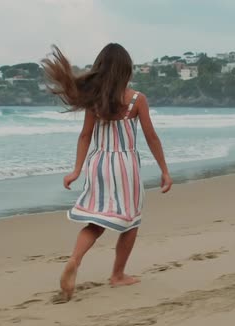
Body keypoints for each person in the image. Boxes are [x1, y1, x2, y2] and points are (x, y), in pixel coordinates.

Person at [42, 43, 172, 301]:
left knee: (96, 220)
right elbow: (151, 137)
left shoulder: (95, 101)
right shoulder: (136, 99)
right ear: (126, 70)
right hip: (125, 166)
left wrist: (76, 170)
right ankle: (118, 274)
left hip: (98, 164)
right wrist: (164, 170)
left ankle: (75, 260)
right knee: (131, 220)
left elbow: (85, 136)